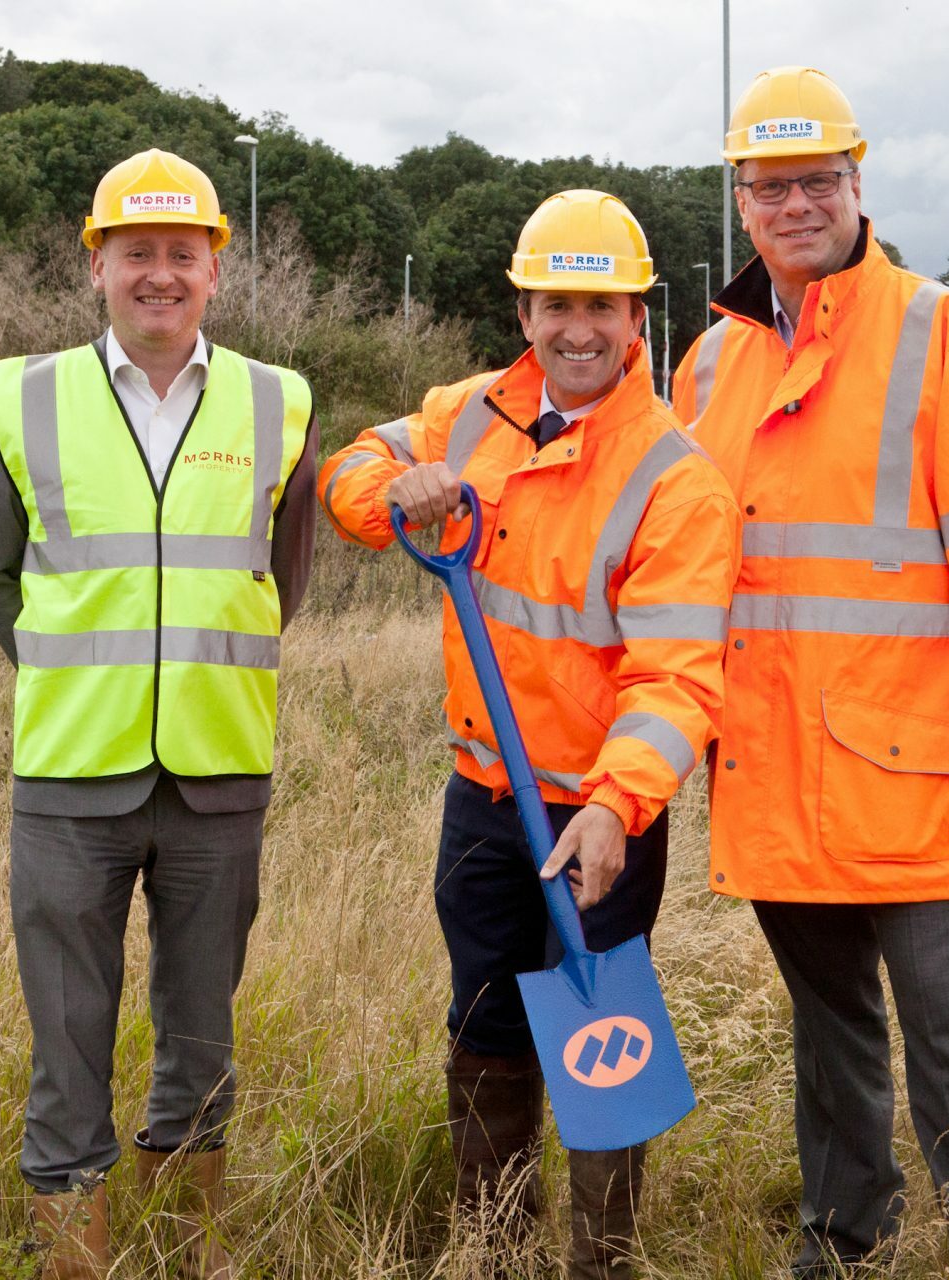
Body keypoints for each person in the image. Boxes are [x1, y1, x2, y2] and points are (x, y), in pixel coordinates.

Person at [672, 67, 949, 1279]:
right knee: (829, 1027)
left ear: (858, 183)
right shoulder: (709, 365)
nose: (796, 205)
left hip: (917, 771)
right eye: (770, 186)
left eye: (818, 181)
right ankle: (842, 1240)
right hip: (773, 762)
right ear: (741, 199)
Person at [319, 190, 738, 1279]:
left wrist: (617, 804)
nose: (578, 329)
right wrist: (397, 490)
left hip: (596, 817)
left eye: (602, 307)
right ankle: (493, 1248)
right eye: (558, 305)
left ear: (638, 318)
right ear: (525, 313)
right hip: (484, 797)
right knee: (487, 1023)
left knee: (602, 1040)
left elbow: (677, 676)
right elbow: (349, 472)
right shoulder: (466, 414)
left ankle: (601, 1260)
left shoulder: (675, 476)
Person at [0, 147, 316, 1280]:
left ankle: (183, 1250)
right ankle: (76, 1262)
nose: (159, 273)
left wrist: (203, 669)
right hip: (70, 781)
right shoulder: (25, 395)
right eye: (135, 253)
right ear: (97, 265)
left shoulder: (279, 401)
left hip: (220, 775)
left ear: (216, 268)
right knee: (69, 1043)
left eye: (182, 253)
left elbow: (284, 578)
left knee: (202, 1037)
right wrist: (75, 677)